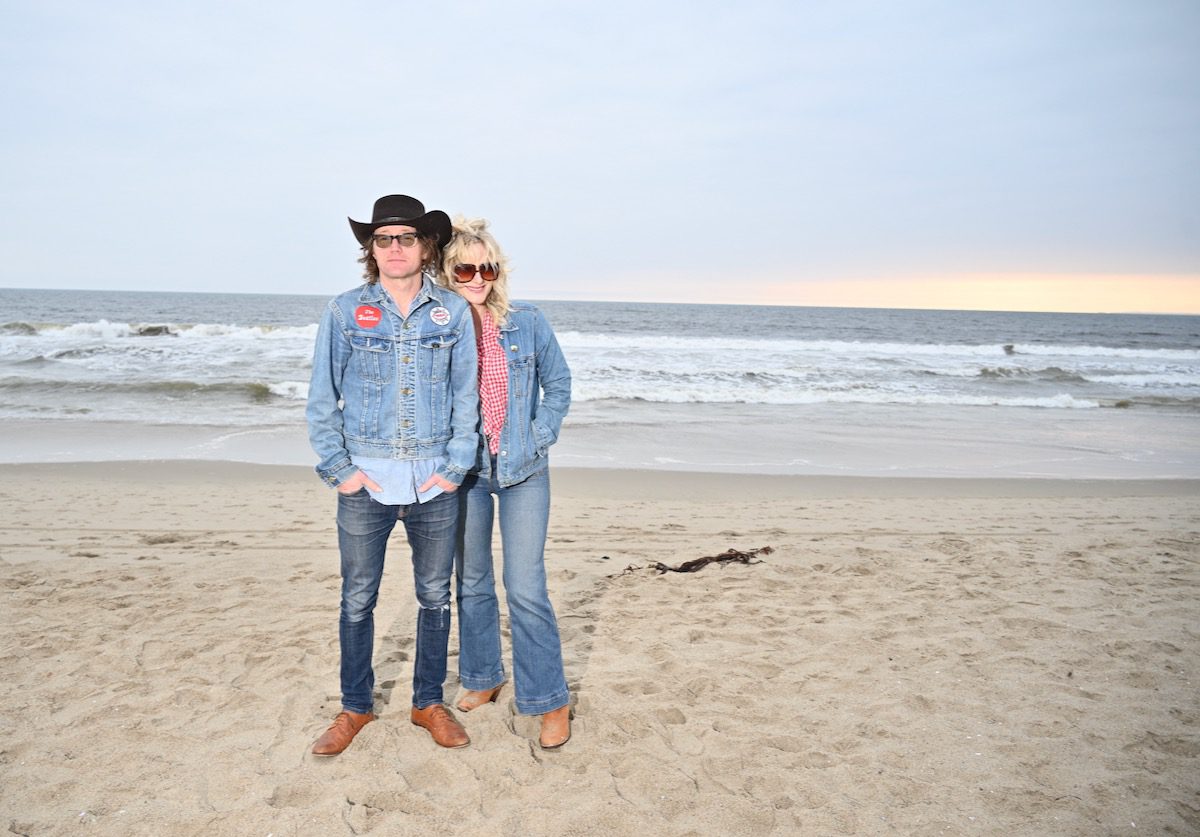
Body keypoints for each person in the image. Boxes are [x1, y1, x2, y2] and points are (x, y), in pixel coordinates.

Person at [306, 194, 480, 754]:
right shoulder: (343, 311)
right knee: (358, 598)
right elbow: (320, 400)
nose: (395, 248)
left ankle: (428, 702)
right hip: (366, 484)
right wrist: (342, 472)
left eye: (406, 237)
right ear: (371, 249)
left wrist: (455, 469)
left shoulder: (451, 313)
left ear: (426, 246)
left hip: (434, 484)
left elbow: (465, 397)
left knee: (435, 597)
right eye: (383, 239)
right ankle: (355, 708)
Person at [438, 217, 573, 749]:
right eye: (465, 267)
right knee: (470, 583)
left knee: (524, 586)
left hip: (523, 470)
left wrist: (539, 435)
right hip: (466, 471)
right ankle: (484, 676)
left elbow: (558, 384)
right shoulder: (438, 328)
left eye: (486, 267)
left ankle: (549, 699)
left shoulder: (529, 322)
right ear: (448, 272)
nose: (477, 277)